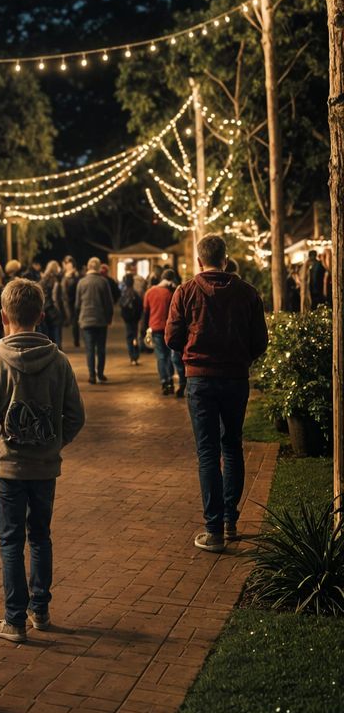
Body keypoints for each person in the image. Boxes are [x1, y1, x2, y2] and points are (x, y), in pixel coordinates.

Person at [0, 277, 85, 643]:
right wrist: (52, 442)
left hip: (10, 469)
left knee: (10, 540)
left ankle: (14, 619)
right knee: (41, 536)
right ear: (42, 315)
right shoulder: (59, 361)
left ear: (4, 317)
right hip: (44, 468)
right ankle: (41, 609)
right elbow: (75, 415)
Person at [166, 234, 269, 554]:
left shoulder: (186, 292)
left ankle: (214, 530)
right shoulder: (248, 293)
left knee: (208, 452)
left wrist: (192, 350)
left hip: (200, 380)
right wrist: (241, 358)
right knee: (232, 446)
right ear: (226, 258)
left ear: (200, 260)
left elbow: (171, 336)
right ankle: (229, 521)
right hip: (235, 379)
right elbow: (260, 341)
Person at [75, 257, 116, 384]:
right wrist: (109, 318)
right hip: (100, 320)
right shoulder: (103, 282)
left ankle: (92, 375)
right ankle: (101, 373)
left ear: (88, 267)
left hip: (86, 320)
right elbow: (109, 303)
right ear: (98, 268)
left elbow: (77, 303)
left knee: (90, 349)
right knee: (101, 348)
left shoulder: (81, 282)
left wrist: (78, 317)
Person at [142, 271, 183, 396]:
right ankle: (172, 380)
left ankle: (165, 382)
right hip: (169, 328)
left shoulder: (150, 292)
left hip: (155, 328)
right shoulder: (171, 292)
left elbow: (145, 313)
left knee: (161, 356)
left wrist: (144, 329)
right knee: (171, 356)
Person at [118, 273, 144, 366]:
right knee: (135, 337)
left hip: (128, 320)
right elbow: (141, 307)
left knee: (129, 338)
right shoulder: (135, 294)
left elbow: (121, 305)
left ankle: (132, 356)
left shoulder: (124, 293)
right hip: (135, 319)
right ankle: (136, 356)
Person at [38, 261, 65, 347]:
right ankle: (57, 351)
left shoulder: (42, 280)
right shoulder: (55, 280)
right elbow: (55, 297)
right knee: (57, 332)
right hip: (53, 309)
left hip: (45, 309)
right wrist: (59, 311)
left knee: (48, 333)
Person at [60, 257, 81, 350]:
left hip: (73, 300)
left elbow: (75, 287)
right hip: (65, 301)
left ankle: (76, 340)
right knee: (71, 320)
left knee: (74, 321)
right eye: (66, 263)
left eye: (69, 263)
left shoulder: (75, 276)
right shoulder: (63, 275)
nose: (67, 265)